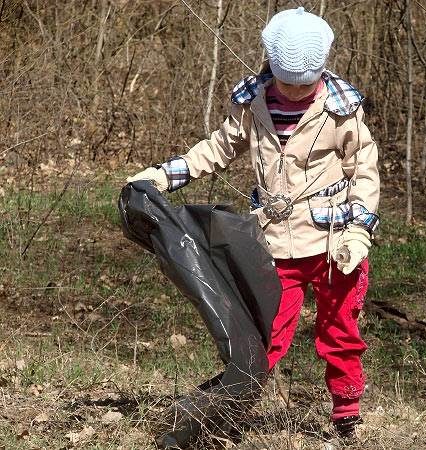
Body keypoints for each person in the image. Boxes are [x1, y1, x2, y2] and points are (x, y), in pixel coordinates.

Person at [127, 6, 380, 441]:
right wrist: (167, 174)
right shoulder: (253, 102)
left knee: (340, 331)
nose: (297, 91)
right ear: (271, 67)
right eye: (288, 82)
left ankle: (347, 417)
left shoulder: (342, 110)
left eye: (306, 83)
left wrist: (359, 231)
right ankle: (232, 410)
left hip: (334, 243)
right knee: (266, 335)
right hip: (276, 245)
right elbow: (218, 149)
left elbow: (365, 172)